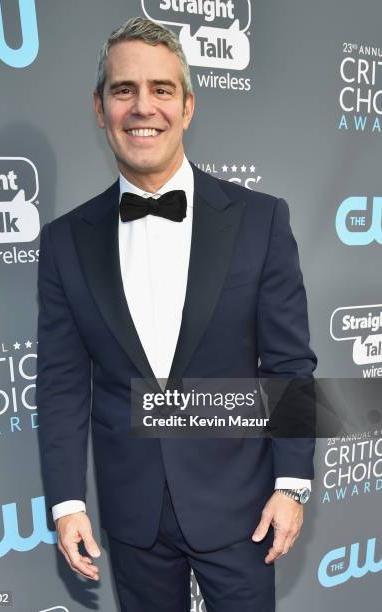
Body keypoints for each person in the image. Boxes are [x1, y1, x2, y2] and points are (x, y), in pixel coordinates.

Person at [36, 15, 316, 612]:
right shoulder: (65, 240)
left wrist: (291, 485)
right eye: (123, 90)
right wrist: (66, 503)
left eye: (161, 90)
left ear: (187, 106)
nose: (143, 108)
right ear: (100, 107)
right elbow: (62, 383)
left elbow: (288, 363)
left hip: (242, 507)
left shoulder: (260, 220)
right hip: (132, 514)